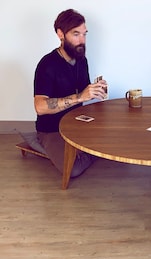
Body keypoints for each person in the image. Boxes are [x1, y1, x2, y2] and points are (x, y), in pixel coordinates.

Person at [34, 9, 107, 177]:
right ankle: (84, 152)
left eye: (84, 34)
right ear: (60, 34)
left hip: (77, 123)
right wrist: (81, 96)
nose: (82, 40)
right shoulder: (47, 64)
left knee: (113, 136)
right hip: (52, 129)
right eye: (76, 34)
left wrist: (95, 88)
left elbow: (83, 90)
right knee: (73, 169)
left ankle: (86, 150)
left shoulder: (81, 60)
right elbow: (40, 107)